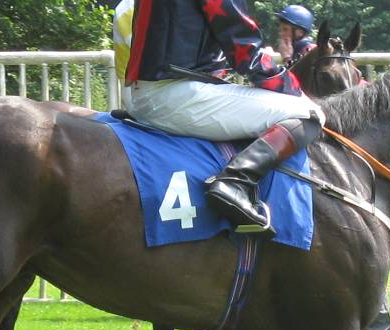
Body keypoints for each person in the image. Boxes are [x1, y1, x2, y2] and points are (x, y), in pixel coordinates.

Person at [124, 0, 324, 238]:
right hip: (177, 92)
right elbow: (244, 48)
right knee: (310, 113)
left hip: (143, 92)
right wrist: (292, 88)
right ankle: (235, 182)